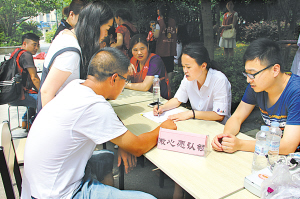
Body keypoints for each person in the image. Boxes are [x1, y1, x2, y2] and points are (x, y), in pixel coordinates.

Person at [21, 47, 177, 199]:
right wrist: (163, 128)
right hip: (59, 193)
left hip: (38, 183)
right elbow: (137, 147)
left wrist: (124, 142)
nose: (124, 86)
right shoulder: (95, 106)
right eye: (125, 80)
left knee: (106, 157)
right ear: (114, 78)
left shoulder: (76, 86)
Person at [153, 42, 231, 199]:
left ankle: (184, 188)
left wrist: (191, 114)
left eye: (188, 66)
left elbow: (219, 115)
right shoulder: (188, 78)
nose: (185, 70)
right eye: (183, 66)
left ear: (203, 65)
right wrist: (162, 108)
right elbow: (177, 100)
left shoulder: (219, 80)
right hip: (198, 126)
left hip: (217, 132)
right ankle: (179, 186)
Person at [212, 38, 300, 154]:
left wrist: (240, 144)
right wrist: (227, 137)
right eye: (247, 74)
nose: (248, 80)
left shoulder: (296, 92)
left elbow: (288, 146)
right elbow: (237, 117)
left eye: (253, 74)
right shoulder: (256, 86)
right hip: (270, 152)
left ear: (275, 70)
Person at [39, 2, 114, 110]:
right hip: (59, 116)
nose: (106, 34)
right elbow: (46, 92)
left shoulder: (66, 34)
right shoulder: (71, 53)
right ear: (95, 26)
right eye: (107, 29)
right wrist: (54, 124)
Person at [9, 33, 41, 129]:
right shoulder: (26, 55)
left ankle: (25, 120)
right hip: (19, 96)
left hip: (10, 94)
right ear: (24, 43)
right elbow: (34, 78)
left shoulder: (16, 52)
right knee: (45, 102)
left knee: (35, 96)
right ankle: (33, 123)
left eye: (38, 45)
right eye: (34, 45)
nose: (36, 48)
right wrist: (43, 93)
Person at [125, 34, 171, 100]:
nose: (139, 53)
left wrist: (125, 85)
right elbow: (125, 78)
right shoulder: (133, 60)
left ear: (148, 47)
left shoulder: (155, 60)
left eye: (142, 49)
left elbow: (145, 86)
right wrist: (125, 69)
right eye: (135, 50)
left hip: (159, 100)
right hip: (140, 98)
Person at [154, 3, 177, 93]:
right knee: (170, 69)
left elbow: (156, 35)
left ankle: (161, 87)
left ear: (160, 12)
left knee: (160, 68)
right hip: (170, 49)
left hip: (161, 50)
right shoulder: (173, 22)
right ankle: (169, 86)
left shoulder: (159, 23)